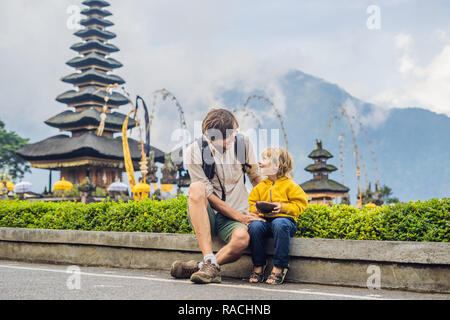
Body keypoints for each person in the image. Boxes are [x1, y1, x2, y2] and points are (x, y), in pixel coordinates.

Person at [170, 108, 264, 284]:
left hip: (236, 214)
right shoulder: (194, 152)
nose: (233, 139)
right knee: (196, 187)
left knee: (242, 239)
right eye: (227, 137)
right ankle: (207, 256)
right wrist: (239, 217)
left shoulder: (242, 143)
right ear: (211, 138)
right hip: (208, 215)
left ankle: (206, 266)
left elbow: (255, 177)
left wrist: (271, 200)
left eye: (234, 133)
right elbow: (207, 193)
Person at [247, 147, 308, 285]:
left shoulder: (291, 186)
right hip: (264, 221)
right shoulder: (260, 187)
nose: (259, 162)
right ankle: (258, 265)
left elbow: (300, 205)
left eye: (264, 159)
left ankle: (279, 267)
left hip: (285, 222)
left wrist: (283, 207)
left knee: (279, 223)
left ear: (277, 165)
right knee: (255, 226)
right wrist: (259, 210)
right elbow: (251, 205)